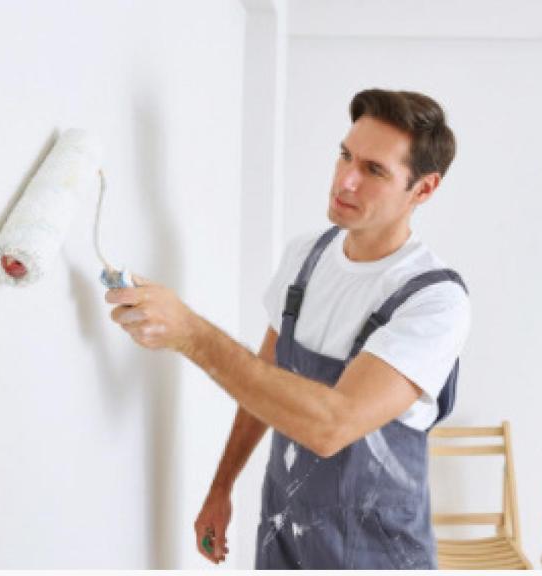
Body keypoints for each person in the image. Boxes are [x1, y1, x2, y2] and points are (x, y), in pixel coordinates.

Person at [106, 88, 470, 569]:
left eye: (374, 170)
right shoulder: (307, 257)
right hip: (286, 538)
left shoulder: (433, 299)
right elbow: (265, 377)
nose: (346, 181)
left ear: (423, 189)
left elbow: (331, 424)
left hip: (373, 556)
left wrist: (190, 333)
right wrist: (222, 487)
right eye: (345, 156)